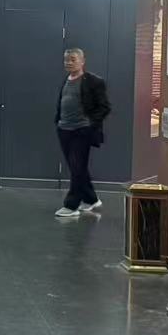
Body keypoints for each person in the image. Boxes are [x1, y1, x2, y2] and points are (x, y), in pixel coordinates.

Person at [55, 47, 111, 219]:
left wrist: (89, 124)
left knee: (77, 168)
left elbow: (104, 107)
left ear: (82, 61)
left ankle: (71, 205)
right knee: (76, 167)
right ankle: (91, 199)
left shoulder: (94, 81)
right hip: (64, 129)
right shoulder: (67, 80)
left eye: (72, 59)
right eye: (66, 60)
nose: (68, 63)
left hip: (81, 131)